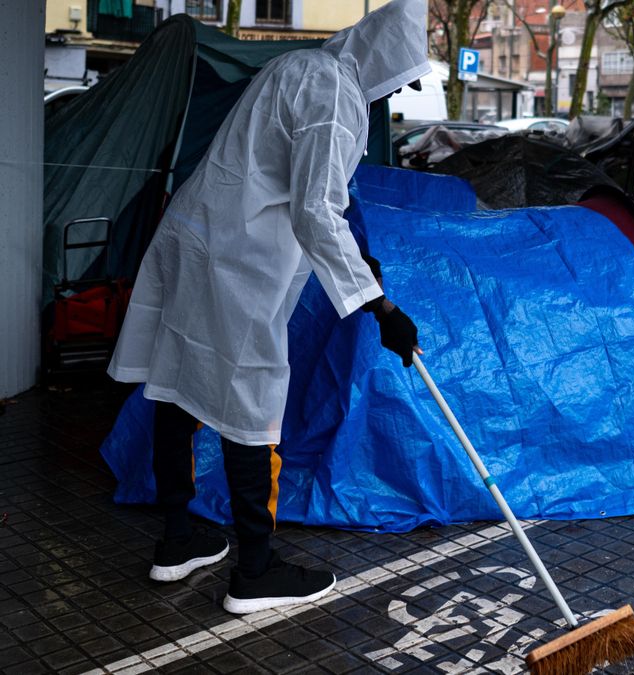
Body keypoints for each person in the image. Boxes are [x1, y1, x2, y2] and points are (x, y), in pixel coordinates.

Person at [106, 0, 430, 614]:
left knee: (175, 382)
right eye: (400, 78)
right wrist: (381, 308)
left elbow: (295, 184)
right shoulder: (335, 95)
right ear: (383, 61)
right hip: (239, 262)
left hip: (200, 238)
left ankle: (177, 540)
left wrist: (362, 267)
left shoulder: (300, 66)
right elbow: (314, 209)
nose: (395, 93)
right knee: (249, 397)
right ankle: (254, 570)